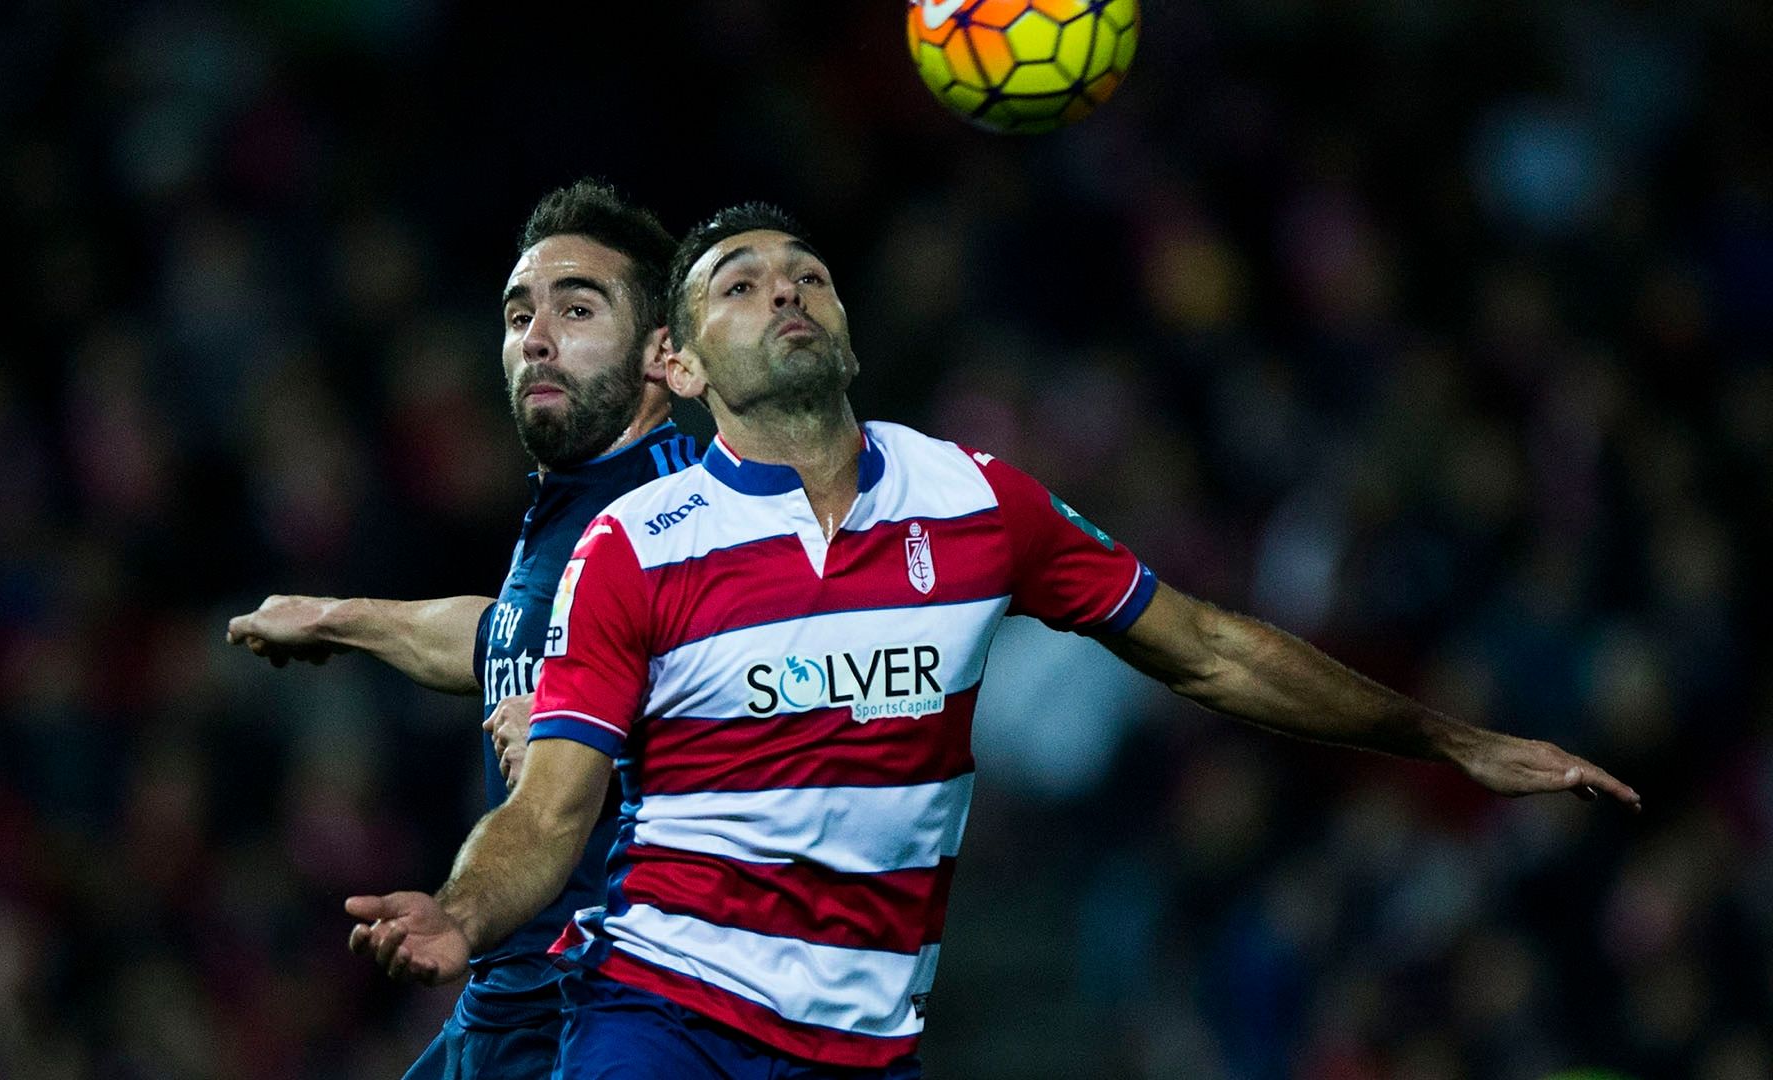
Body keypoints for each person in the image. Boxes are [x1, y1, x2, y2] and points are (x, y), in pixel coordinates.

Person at [353, 203, 1641, 1078]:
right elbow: (554, 803)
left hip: (864, 1039)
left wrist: (1448, 741)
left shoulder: (975, 502)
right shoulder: (632, 550)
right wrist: (462, 910)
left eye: (806, 275)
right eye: (739, 285)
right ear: (680, 364)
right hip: (658, 1014)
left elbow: (1211, 651)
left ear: (847, 324)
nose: (785, 292)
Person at [224, 180, 699, 1079]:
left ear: (661, 352)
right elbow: (508, 635)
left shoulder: (681, 514)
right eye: (520, 313)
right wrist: (339, 618)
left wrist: (586, 735)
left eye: (578, 308)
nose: (537, 338)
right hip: (510, 1001)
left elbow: (749, 699)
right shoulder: (578, 500)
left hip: (600, 1008)